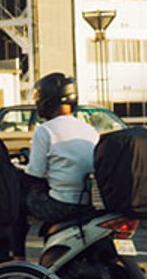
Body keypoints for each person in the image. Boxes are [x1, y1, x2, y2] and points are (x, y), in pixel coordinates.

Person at [24, 73, 99, 224]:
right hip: (88, 202)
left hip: (61, 204)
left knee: (19, 199)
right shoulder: (89, 129)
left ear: (47, 100)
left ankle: (17, 247)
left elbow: (35, 173)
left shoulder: (45, 130)